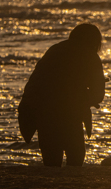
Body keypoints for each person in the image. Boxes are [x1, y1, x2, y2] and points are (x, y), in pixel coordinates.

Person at [18, 23, 106, 167]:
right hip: (70, 115)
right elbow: (98, 94)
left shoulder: (55, 50)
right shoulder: (90, 55)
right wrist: (86, 98)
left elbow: (35, 83)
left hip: (43, 113)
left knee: (51, 161)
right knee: (76, 157)